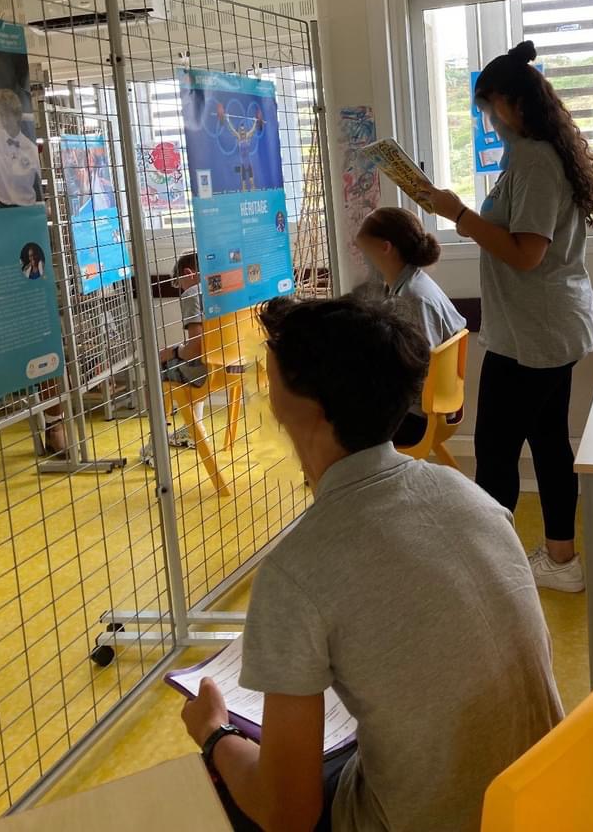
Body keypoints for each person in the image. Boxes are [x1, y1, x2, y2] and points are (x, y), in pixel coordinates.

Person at [180, 293, 563, 832]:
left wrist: (214, 731)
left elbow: (288, 814)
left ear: (309, 407)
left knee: (224, 783)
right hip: (549, 801)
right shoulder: (467, 494)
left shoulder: (295, 572)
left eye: (271, 379)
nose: (265, 394)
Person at [423, 40, 593, 594]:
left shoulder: (534, 160)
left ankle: (493, 572)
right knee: (548, 444)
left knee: (497, 455)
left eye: (490, 107)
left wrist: (458, 213)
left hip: (533, 336)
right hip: (545, 328)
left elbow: (527, 253)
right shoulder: (535, 154)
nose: (489, 119)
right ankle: (561, 560)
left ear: (512, 102)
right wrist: (463, 215)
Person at [356, 206, 466, 447]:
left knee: (336, 424)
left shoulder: (412, 298)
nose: (363, 260)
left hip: (419, 418)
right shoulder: (414, 284)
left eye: (364, 251)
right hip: (429, 408)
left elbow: (418, 371)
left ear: (385, 248)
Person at [141, 250, 207, 464]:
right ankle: (192, 428)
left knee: (154, 370)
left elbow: (196, 349)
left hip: (207, 372)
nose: (181, 290)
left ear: (188, 274)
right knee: (177, 359)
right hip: (236, 366)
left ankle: (156, 442)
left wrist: (173, 351)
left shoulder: (193, 293)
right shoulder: (225, 287)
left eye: (180, 285)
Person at [0, 88, 41, 207]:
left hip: (26, 208)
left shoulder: (31, 150)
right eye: (2, 115)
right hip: (1, 207)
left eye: (8, 115)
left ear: (17, 116)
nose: (4, 120)